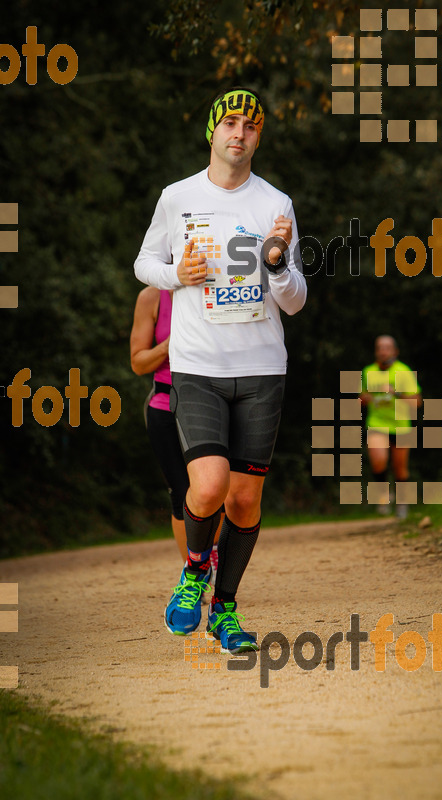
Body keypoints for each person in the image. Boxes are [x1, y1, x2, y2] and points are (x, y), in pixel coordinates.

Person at [134, 87, 307, 654]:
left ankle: (224, 610)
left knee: (244, 503)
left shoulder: (276, 204)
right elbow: (144, 263)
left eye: (250, 126)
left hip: (261, 369)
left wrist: (278, 263)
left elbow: (296, 300)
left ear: (259, 137)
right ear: (211, 132)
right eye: (230, 123)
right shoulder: (176, 198)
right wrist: (177, 276)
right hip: (198, 365)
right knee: (207, 486)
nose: (240, 133)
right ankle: (192, 574)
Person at [129, 287, 219, 606]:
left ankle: (213, 560)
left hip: (213, 400)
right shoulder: (152, 297)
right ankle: (195, 575)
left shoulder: (219, 284)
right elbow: (138, 363)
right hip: (165, 402)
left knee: (216, 489)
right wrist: (172, 343)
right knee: (182, 493)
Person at [360, 335, 421, 519]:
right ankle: (384, 495)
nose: (383, 351)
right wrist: (368, 398)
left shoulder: (404, 371)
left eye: (387, 347)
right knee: (378, 460)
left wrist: (396, 393)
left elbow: (417, 402)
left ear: (395, 351)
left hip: (401, 426)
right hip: (377, 423)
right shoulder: (368, 371)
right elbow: (362, 397)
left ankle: (402, 504)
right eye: (380, 347)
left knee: (400, 467)